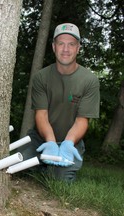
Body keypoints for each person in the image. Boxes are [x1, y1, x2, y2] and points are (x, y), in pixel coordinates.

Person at [17, 23, 100, 182]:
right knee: (18, 166)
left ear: (78, 48)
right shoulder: (41, 77)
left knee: (59, 180)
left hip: (71, 141)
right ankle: (41, 164)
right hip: (41, 139)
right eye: (61, 43)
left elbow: (82, 121)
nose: (66, 49)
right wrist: (50, 141)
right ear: (54, 47)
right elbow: (41, 115)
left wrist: (68, 143)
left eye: (71, 44)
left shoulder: (90, 80)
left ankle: (50, 168)